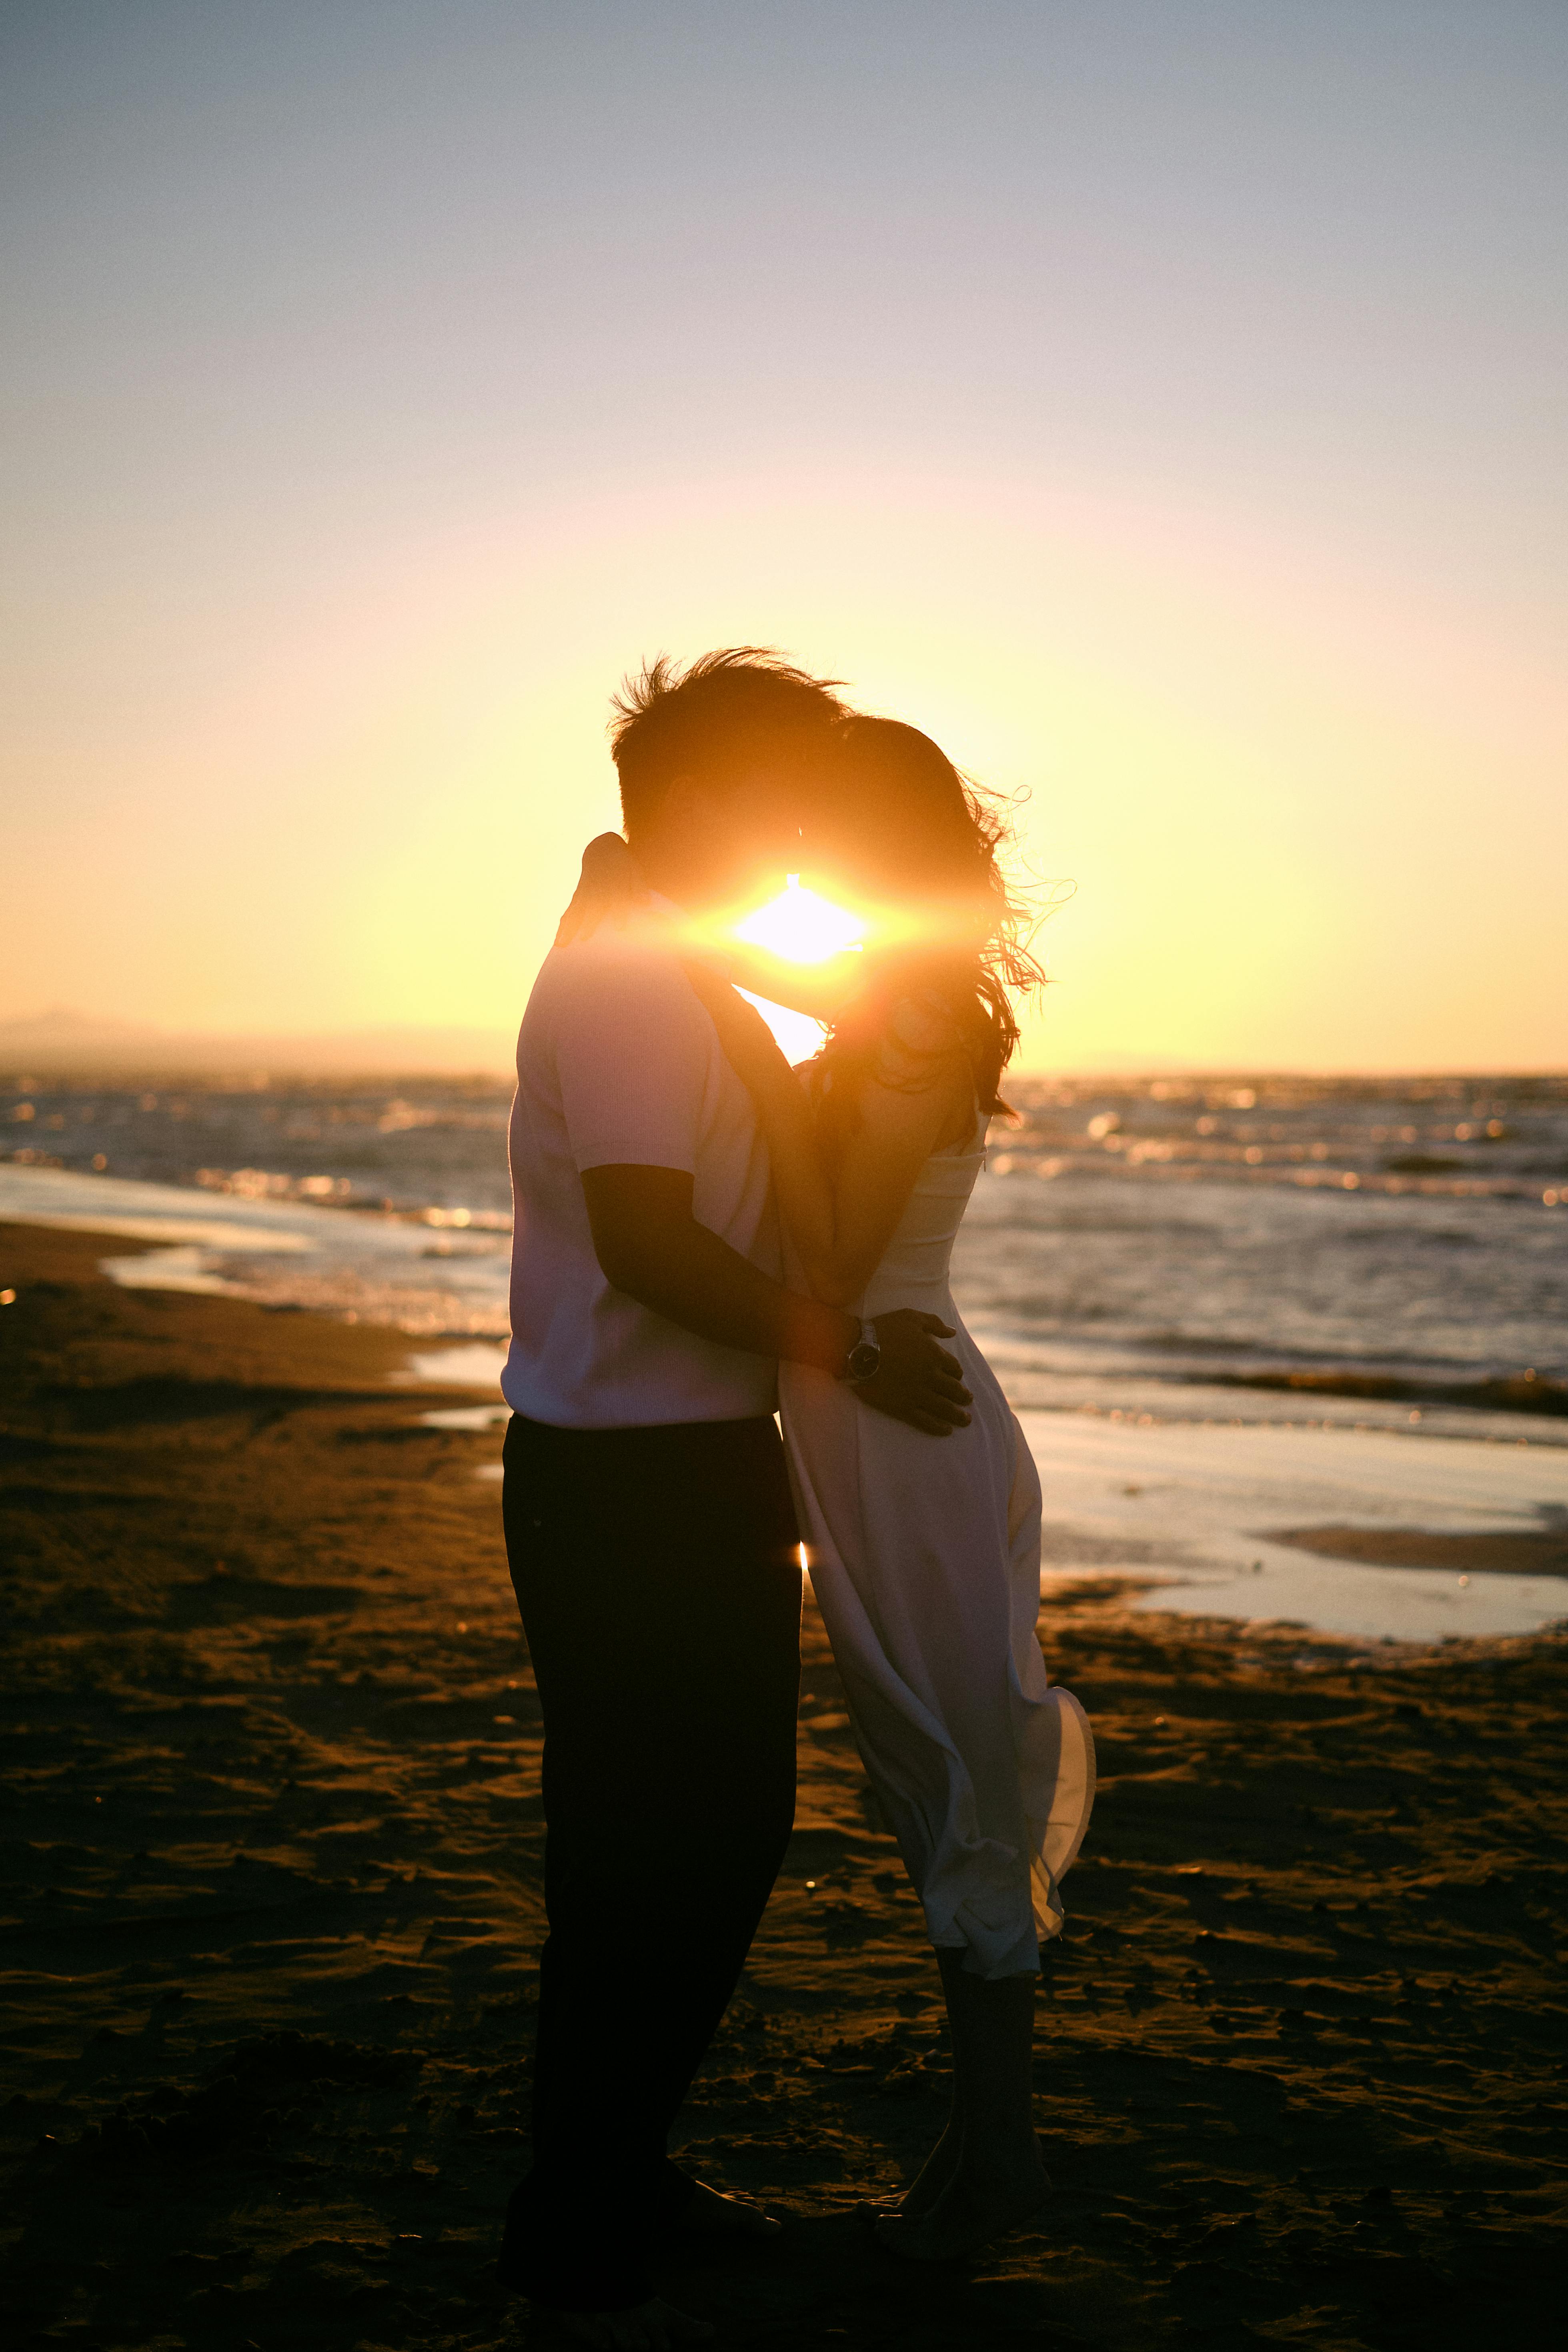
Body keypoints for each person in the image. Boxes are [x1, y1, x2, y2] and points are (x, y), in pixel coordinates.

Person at [495, 653, 972, 2350]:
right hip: (628, 1476)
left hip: (656, 1464)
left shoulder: (661, 948)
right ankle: (580, 2220)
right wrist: (837, 1339)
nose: (791, 839)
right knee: (666, 1847)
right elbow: (647, 1240)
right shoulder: (630, 978)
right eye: (776, 802)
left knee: (676, 1839)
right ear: (698, 802)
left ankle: (608, 2177)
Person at [684, 714, 1096, 2263]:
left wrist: (757, 1085)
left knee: (953, 1771)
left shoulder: (912, 1014)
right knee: (937, 1766)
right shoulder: (904, 990)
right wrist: (667, 928)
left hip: (890, 1401)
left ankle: (1003, 2177)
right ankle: (986, 2158)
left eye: (821, 830)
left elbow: (832, 1259)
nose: (800, 854)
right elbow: (743, 967)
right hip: (888, 1393)